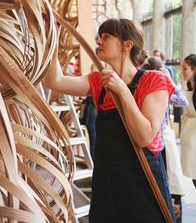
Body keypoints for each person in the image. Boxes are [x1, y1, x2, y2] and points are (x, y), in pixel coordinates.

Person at [44, 18, 176, 223]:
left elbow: (144, 137)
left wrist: (122, 91)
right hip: (107, 184)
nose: (99, 42)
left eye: (106, 37)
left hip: (142, 183)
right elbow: (54, 81)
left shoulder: (154, 80)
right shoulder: (99, 81)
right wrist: (49, 35)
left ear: (127, 45)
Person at [143, 57, 188, 223]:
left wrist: (168, 81)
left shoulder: (161, 86)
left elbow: (182, 101)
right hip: (154, 141)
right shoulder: (156, 86)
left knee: (170, 186)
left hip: (161, 142)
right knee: (165, 186)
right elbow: (181, 99)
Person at [180, 54, 196, 188]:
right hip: (191, 140)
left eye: (185, 68)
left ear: (194, 69)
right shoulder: (189, 89)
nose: (182, 72)